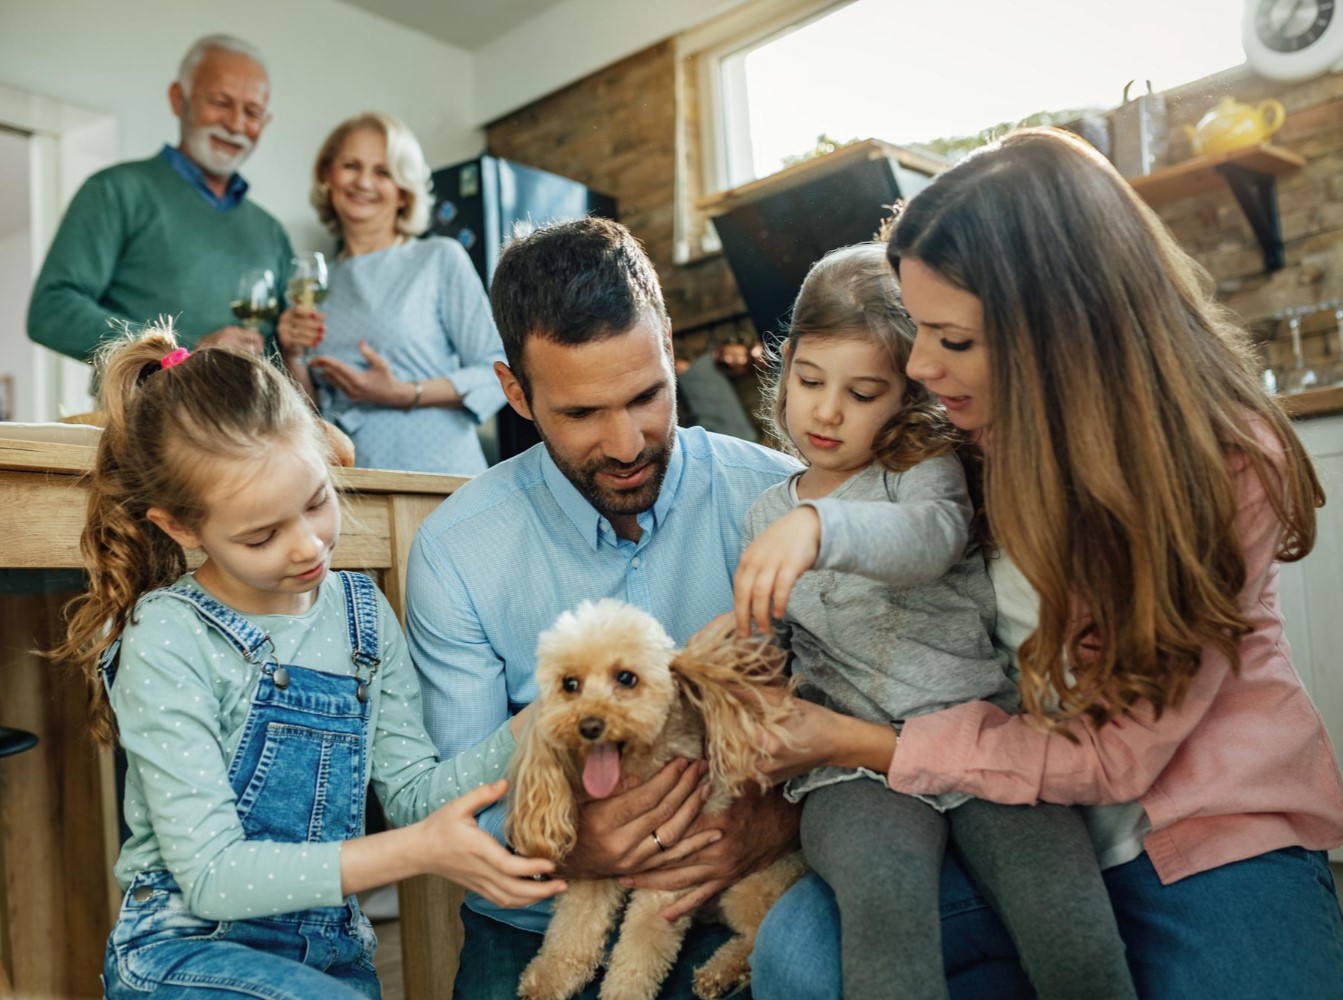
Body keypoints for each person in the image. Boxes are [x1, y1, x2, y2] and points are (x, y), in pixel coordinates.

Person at [745, 128, 1343, 1000]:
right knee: (796, 963)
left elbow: (1110, 762)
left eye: (948, 339)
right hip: (993, 804)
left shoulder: (1220, 468)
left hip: (1195, 824)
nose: (917, 366)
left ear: (1055, 338)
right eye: (917, 333)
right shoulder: (960, 436)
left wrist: (859, 743)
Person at [51, 324, 564, 999]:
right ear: (180, 526)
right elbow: (209, 874)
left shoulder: (360, 613)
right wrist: (415, 852)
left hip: (329, 959)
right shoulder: (168, 635)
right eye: (262, 535)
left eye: (317, 501)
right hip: (184, 952)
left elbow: (411, 795)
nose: (307, 548)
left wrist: (529, 730)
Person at [404, 216, 805, 998]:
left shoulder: (780, 500)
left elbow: (868, 714)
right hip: (543, 915)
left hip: (745, 884)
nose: (625, 443)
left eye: (647, 396)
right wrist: (569, 846)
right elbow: (456, 792)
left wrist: (776, 824)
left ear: (667, 348)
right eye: (581, 414)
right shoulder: (456, 551)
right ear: (515, 391)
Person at [738, 241, 1135, 1000]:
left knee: (1068, 920)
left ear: (904, 396)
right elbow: (770, 644)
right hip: (851, 773)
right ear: (784, 364)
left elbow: (926, 543)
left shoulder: (922, 471)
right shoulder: (764, 512)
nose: (825, 411)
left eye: (861, 393)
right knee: (884, 908)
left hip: (983, 742)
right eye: (810, 380)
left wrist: (819, 528)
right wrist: (738, 656)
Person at [28, 35, 290, 361]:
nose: (236, 124)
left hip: (252, 413)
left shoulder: (271, 233)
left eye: (252, 112)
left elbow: (283, 352)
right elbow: (51, 311)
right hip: (141, 412)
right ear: (179, 100)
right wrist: (188, 349)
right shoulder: (115, 190)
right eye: (221, 103)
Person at [277, 112, 506, 475]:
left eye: (383, 172)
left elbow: (498, 369)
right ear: (327, 175)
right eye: (351, 165)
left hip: (440, 472)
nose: (363, 181)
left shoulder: (438, 258)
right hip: (354, 482)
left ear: (403, 191)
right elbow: (313, 414)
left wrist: (403, 393)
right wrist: (293, 355)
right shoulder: (317, 283)